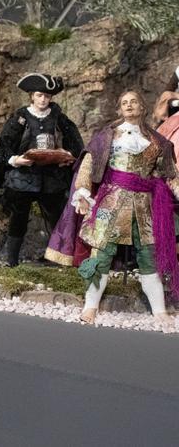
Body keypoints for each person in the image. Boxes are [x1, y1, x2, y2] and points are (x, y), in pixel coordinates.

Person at [47, 90, 179, 329]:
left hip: (144, 207)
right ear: (119, 109)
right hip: (110, 201)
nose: (129, 106)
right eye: (124, 103)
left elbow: (169, 176)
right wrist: (83, 194)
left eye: (133, 102)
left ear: (143, 107)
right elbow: (88, 166)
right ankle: (91, 306)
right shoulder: (107, 137)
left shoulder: (158, 143)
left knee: (149, 255)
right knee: (101, 253)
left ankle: (159, 310)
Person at [0, 74, 84, 266]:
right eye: (39, 95)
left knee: (56, 217)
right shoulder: (20, 118)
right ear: (32, 95)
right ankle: (11, 259)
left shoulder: (58, 118)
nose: (43, 100)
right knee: (19, 216)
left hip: (52, 178)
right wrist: (16, 159)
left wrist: (67, 155)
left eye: (47, 97)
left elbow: (76, 143)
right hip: (23, 177)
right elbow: (3, 146)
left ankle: (56, 258)